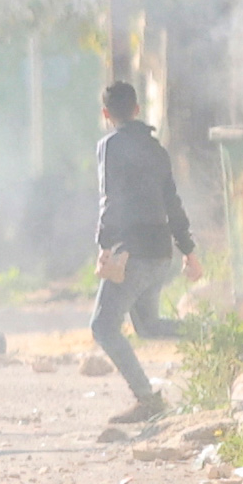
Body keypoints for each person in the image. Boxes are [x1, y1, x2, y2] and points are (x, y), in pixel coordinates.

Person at [91, 82, 201, 424]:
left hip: (133, 255)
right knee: (149, 326)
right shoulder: (157, 149)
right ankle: (220, 335)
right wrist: (189, 251)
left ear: (106, 114)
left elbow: (110, 199)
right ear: (137, 110)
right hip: (160, 254)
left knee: (103, 327)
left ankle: (148, 400)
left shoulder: (109, 146)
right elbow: (173, 203)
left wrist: (104, 247)